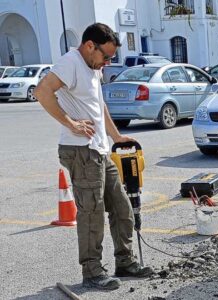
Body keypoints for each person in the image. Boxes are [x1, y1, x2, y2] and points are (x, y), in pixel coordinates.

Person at [34, 23, 153, 290]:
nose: (107, 63)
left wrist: (116, 136)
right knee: (92, 213)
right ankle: (92, 271)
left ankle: (125, 262)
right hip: (80, 151)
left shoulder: (92, 68)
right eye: (106, 57)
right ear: (90, 46)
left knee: (123, 208)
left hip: (98, 150)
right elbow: (42, 91)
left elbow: (99, 105)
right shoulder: (71, 62)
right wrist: (71, 123)